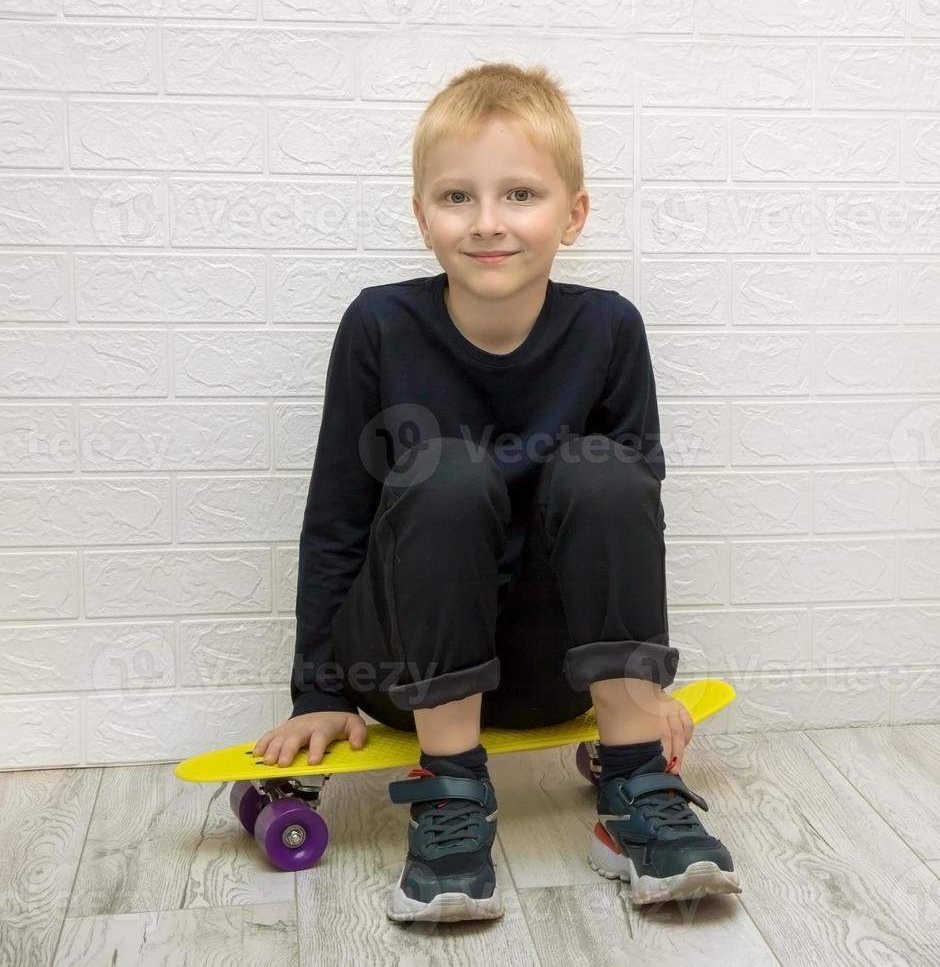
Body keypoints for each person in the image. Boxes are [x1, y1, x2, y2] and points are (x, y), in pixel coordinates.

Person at [248, 61, 740, 923]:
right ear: (421, 215)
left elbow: (630, 518)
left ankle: (634, 790)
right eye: (457, 198)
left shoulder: (610, 327)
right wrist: (319, 690)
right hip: (407, 664)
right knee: (446, 468)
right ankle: (449, 796)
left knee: (607, 469)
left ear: (573, 215)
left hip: (555, 670)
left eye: (519, 194)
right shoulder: (379, 324)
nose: (487, 224)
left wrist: (641, 683)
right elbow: (336, 518)